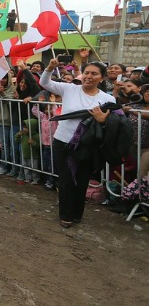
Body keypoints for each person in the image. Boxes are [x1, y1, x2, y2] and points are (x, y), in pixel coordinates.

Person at [40, 59, 115, 228]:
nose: (89, 76)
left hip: (88, 146)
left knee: (81, 181)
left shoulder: (107, 98)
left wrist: (103, 120)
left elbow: (113, 124)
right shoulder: (69, 89)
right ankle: (65, 215)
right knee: (66, 180)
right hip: (63, 142)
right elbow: (44, 83)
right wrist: (50, 67)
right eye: (87, 72)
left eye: (94, 74)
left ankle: (77, 214)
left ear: (102, 78)